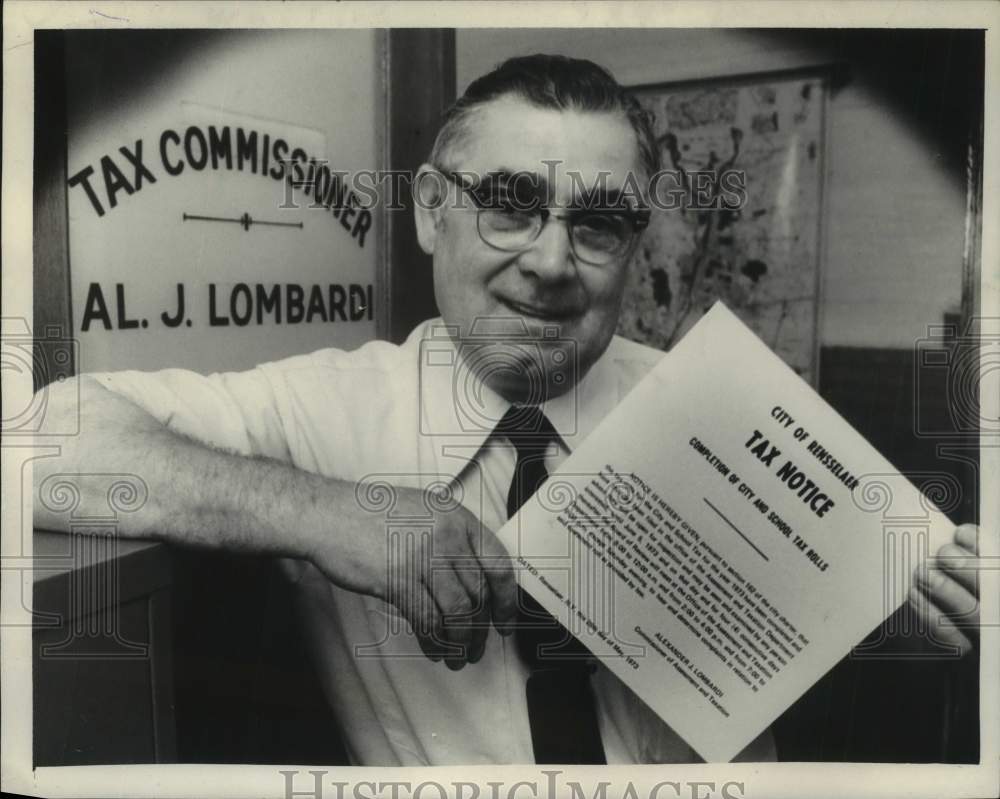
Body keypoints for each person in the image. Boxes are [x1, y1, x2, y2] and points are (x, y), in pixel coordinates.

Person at [34, 54, 981, 765]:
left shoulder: (720, 408)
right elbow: (34, 442)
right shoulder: (327, 407)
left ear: (632, 243)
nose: (553, 260)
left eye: (598, 221)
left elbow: (907, 617)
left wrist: (921, 601)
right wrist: (335, 513)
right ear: (430, 212)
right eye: (511, 205)